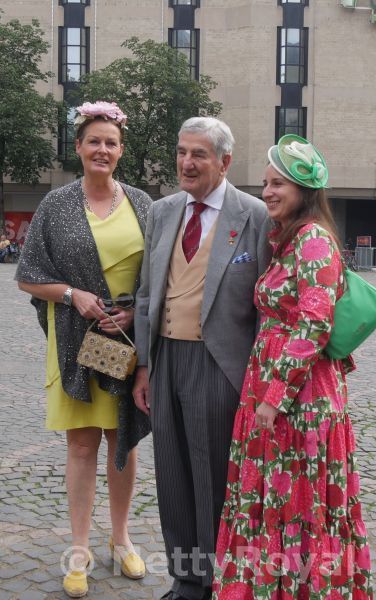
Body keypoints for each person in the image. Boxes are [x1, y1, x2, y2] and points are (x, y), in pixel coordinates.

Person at [212, 135, 373, 599]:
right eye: (265, 183)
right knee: (273, 502)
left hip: (299, 403)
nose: (267, 193)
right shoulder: (289, 240)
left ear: (304, 189)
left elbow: (314, 326)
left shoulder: (314, 240)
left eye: (278, 183)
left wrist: (274, 394)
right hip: (273, 393)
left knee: (299, 505)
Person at [16, 101, 152, 598]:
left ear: (120, 151)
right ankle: (78, 547)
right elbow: (28, 277)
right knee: (81, 444)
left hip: (127, 342)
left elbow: (157, 278)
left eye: (110, 143)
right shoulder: (55, 204)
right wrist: (74, 295)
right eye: (93, 141)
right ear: (78, 147)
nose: (102, 149)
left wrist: (136, 311)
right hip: (76, 341)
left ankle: (121, 538)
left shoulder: (142, 203)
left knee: (123, 442)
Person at [133, 116, 271, 600]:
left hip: (222, 366)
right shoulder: (163, 211)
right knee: (171, 473)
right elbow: (149, 292)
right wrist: (145, 367)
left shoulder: (253, 215)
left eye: (199, 155)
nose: (186, 163)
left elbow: (265, 307)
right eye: (181, 152)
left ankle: (221, 579)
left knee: (213, 475)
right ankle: (186, 579)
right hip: (167, 356)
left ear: (225, 161)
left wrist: (260, 383)